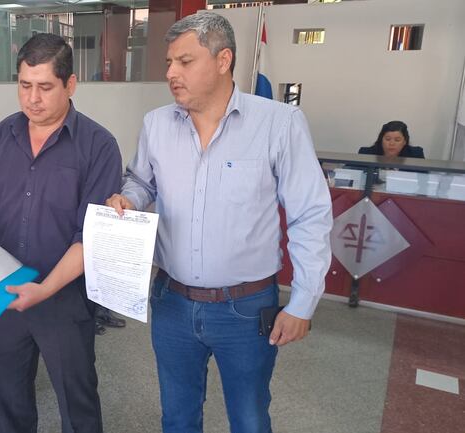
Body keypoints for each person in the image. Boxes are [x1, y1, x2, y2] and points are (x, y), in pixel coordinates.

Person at [106, 11, 333, 433]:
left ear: (223, 60)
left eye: (184, 61)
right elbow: (141, 180)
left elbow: (310, 215)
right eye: (169, 62)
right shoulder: (157, 124)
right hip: (171, 301)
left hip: (245, 308)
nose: (171, 73)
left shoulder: (278, 123)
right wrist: (129, 199)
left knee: (249, 419)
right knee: (177, 416)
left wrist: (303, 302)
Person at [0, 33, 121, 433]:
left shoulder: (98, 145)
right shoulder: (4, 134)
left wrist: (45, 289)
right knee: (9, 397)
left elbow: (90, 235)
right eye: (24, 86)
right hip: (4, 289)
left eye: (45, 87)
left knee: (77, 402)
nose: (32, 99)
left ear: (70, 85)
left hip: (64, 299)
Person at [359, 120, 424, 158]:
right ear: (381, 140)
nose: (391, 143)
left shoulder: (416, 155)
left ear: (404, 142)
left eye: (397, 140)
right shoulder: (366, 154)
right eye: (387, 139)